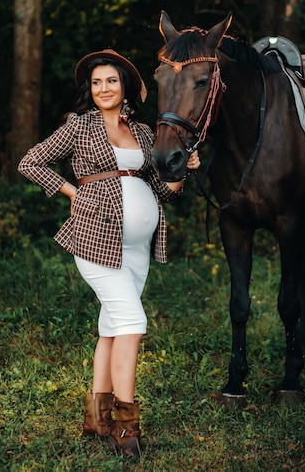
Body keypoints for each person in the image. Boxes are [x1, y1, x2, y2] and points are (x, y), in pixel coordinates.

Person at [18, 48, 200, 458]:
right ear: (91, 88)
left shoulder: (140, 131)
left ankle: (96, 418)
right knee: (133, 322)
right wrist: (73, 190)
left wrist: (182, 173)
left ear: (126, 88)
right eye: (96, 82)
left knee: (112, 327)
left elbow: (157, 191)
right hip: (96, 237)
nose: (103, 88)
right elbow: (31, 163)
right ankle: (125, 426)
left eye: (111, 81)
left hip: (138, 245)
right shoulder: (79, 127)